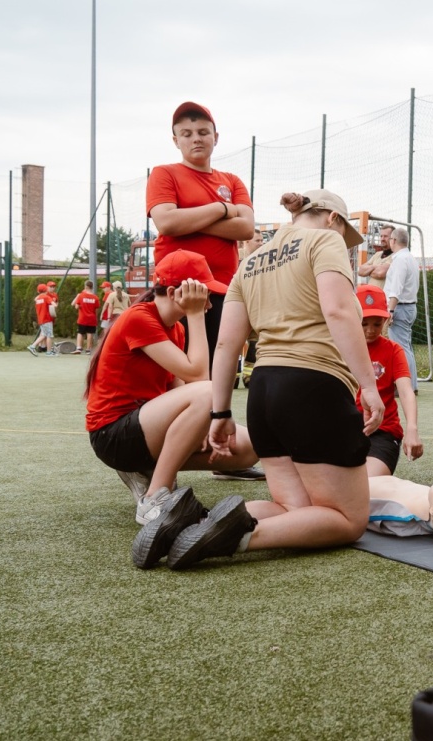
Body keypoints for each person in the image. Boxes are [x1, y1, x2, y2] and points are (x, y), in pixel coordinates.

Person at [129, 188, 386, 571]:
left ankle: (188, 524)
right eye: (343, 233)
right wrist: (369, 385)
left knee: (292, 507)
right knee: (348, 520)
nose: (343, 242)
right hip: (315, 387)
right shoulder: (325, 240)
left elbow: (227, 345)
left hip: (263, 391)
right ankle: (234, 538)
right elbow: (337, 311)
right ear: (332, 219)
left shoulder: (250, 261)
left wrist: (220, 413)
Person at [84, 251, 258, 528]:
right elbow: (200, 379)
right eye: (204, 295)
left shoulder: (175, 329)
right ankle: (154, 497)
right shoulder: (139, 318)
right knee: (208, 392)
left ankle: (148, 469)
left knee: (247, 447)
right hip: (113, 436)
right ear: (176, 292)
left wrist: (200, 426)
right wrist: (195, 315)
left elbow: (183, 388)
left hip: (146, 427)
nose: (209, 304)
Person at [146, 101, 255, 367]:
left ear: (215, 137)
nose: (196, 139)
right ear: (176, 140)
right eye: (187, 134)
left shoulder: (232, 181)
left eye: (203, 132)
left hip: (223, 289)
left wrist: (186, 217)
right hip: (176, 289)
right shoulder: (164, 173)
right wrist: (221, 208)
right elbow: (166, 223)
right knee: (178, 369)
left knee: (218, 366)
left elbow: (246, 228)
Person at [356, 284, 423, 476]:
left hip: (383, 432)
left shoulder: (393, 350)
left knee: (370, 484)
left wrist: (412, 428)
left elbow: (406, 391)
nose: (370, 330)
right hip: (345, 430)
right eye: (364, 323)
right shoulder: (338, 348)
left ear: (386, 320)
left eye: (377, 324)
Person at [383, 227, 420, 393]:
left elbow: (396, 288)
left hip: (400, 308)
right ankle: (411, 385)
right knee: (406, 347)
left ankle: (407, 387)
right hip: (408, 307)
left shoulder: (400, 260)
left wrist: (390, 311)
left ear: (394, 241)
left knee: (401, 349)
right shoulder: (410, 258)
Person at [356, 223, 395, 288]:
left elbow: (380, 273)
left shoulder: (395, 256)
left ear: (393, 238)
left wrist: (368, 271)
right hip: (370, 293)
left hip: (383, 294)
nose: (382, 239)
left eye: (385, 236)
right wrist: (376, 267)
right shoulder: (377, 254)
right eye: (381, 236)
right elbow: (360, 271)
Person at [71, 280, 101, 354]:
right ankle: (88, 349)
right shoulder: (95, 297)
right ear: (92, 287)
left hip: (82, 318)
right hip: (92, 318)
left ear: (85, 286)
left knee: (80, 333)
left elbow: (76, 306)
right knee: (90, 333)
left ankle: (79, 348)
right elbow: (97, 309)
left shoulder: (81, 296)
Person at [27, 284, 56, 356]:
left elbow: (36, 299)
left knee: (43, 335)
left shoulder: (38, 298)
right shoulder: (46, 297)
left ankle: (32, 346)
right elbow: (54, 305)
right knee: (49, 335)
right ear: (46, 290)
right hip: (47, 319)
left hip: (41, 319)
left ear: (38, 291)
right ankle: (49, 352)